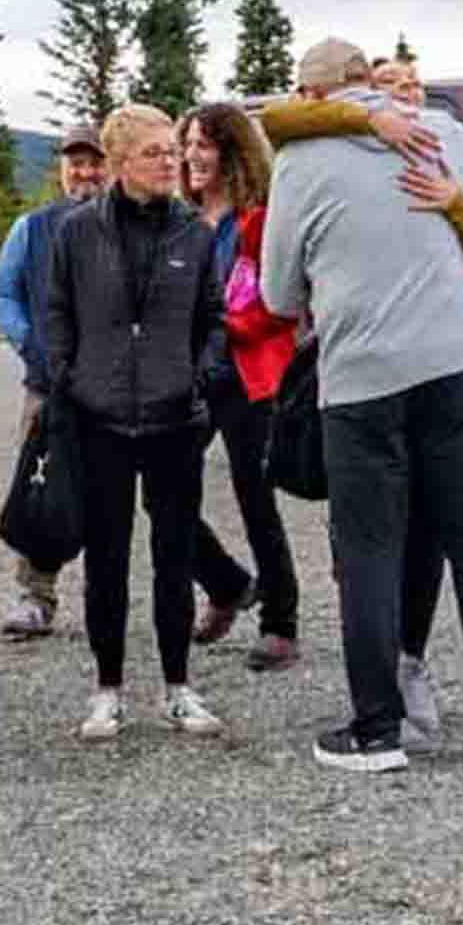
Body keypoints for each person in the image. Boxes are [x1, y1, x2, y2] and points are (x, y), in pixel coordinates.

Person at [260, 37, 463, 769]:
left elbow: (277, 294)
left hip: (363, 377)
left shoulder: (298, 162)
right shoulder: (437, 137)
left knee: (370, 551)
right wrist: (456, 201)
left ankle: (377, 728)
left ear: (309, 95)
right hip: (455, 363)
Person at [32, 104, 231, 743]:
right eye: (153, 153)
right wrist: (68, 378)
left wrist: (199, 375)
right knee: (107, 560)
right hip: (99, 418)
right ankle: (107, 689)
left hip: (175, 417)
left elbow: (215, 317)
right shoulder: (76, 231)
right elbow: (54, 312)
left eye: (172, 151)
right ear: (119, 163)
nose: (169, 162)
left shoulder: (194, 233)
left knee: (173, 558)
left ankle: (178, 686)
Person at [181, 101, 302, 673]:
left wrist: (217, 322)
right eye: (187, 145)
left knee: (257, 502)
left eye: (203, 144)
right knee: (165, 493)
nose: (191, 156)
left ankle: (281, 622)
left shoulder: (259, 220)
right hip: (188, 380)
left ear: (232, 151)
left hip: (245, 378)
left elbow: (279, 306)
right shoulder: (179, 221)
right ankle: (227, 583)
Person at [0, 124, 110, 638]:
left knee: (113, 496)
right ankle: (34, 596)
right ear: (61, 169)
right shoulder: (31, 228)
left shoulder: (126, 223)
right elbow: (3, 295)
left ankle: (108, 598)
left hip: (114, 388)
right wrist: (32, 345)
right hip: (49, 386)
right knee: (40, 491)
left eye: (94, 162)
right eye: (74, 163)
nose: (84, 172)